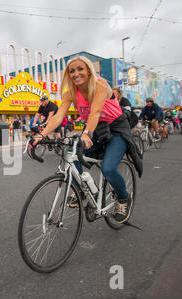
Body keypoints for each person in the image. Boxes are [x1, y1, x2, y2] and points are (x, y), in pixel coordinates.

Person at [35, 55, 142, 224]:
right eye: (72, 71)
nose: (76, 74)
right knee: (70, 153)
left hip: (116, 129)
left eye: (80, 69)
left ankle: (123, 199)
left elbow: (96, 112)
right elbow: (58, 116)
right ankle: (83, 190)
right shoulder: (71, 92)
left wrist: (87, 134)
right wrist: (41, 135)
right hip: (97, 129)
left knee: (108, 168)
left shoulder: (100, 84)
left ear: (89, 71)